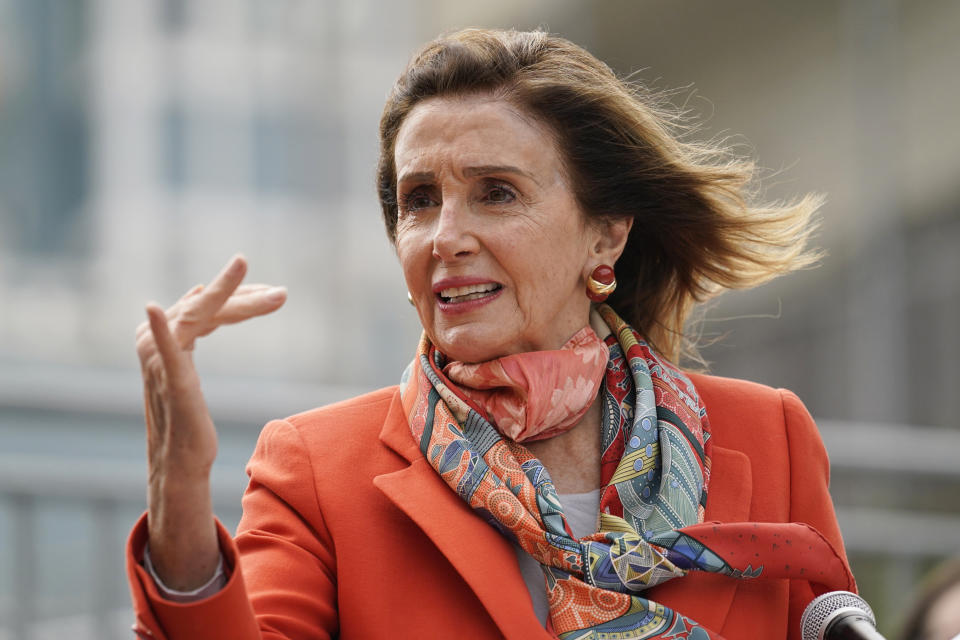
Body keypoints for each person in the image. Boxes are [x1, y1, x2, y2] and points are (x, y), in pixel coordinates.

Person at [126, 28, 855, 640]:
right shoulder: (316, 471)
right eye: (419, 201)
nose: (446, 237)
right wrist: (181, 490)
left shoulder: (769, 434)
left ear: (605, 235)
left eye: (496, 193)